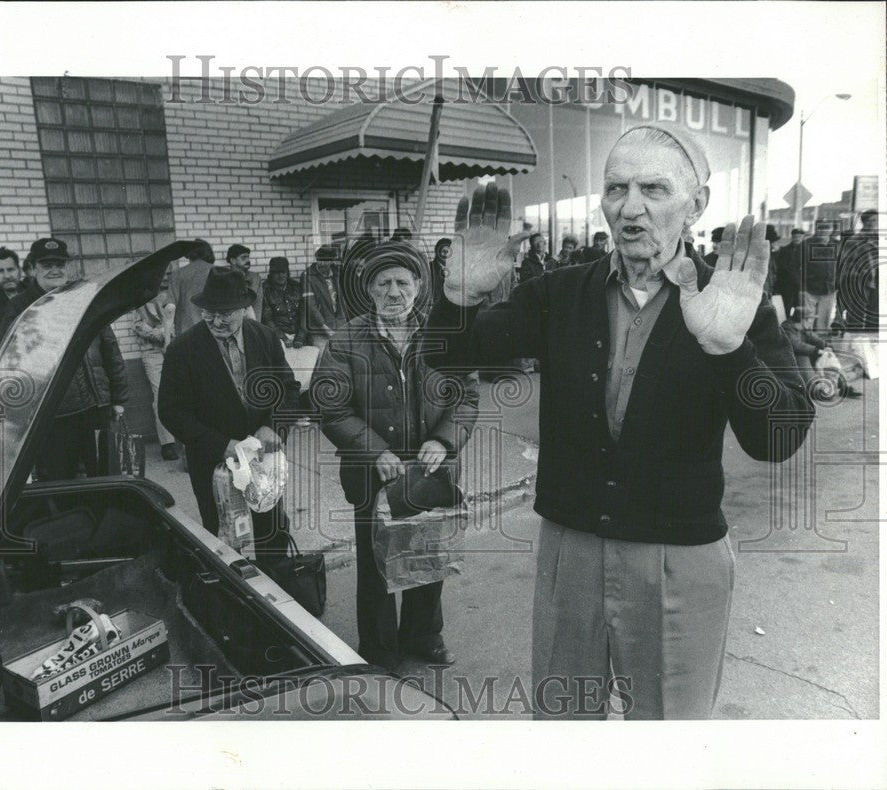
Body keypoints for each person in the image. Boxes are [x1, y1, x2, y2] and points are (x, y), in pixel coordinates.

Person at [425, 124, 813, 720]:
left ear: (696, 205)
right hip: (570, 547)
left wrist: (730, 351)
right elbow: (451, 358)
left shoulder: (732, 300)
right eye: (616, 189)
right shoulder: (557, 293)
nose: (631, 208)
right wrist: (456, 294)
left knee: (668, 736)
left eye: (655, 189)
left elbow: (778, 437)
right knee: (564, 726)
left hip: (677, 558)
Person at [313, 242, 479, 670]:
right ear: (369, 289)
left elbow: (467, 395)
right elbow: (329, 405)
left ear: (420, 286)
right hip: (373, 473)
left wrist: (443, 441)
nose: (393, 292)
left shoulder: (445, 334)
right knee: (377, 563)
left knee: (429, 553)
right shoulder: (346, 340)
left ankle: (425, 635)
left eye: (402, 282)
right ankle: (380, 649)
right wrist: (374, 451)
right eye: (382, 283)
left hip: (431, 468)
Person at [158, 268, 299, 564]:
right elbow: (171, 412)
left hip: (263, 459)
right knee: (224, 537)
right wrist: (222, 444)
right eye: (209, 313)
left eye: (226, 313)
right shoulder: (181, 350)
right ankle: (233, 598)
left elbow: (288, 388)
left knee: (271, 530)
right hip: (213, 463)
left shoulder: (266, 337)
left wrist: (272, 427)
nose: (217, 321)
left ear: (243, 309)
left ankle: (276, 597)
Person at [1, 238, 128, 481]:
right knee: (60, 481)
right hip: (53, 415)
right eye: (46, 264)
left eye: (59, 263)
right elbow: (11, 365)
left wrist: (118, 398)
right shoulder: (20, 308)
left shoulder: (84, 298)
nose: (54, 269)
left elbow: (109, 347)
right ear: (32, 268)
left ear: (67, 266)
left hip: (95, 408)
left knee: (107, 476)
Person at [132, 268, 179, 460]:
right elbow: (138, 326)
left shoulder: (171, 295)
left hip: (175, 350)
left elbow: (177, 320)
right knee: (160, 395)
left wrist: (168, 333)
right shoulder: (140, 301)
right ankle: (167, 444)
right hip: (152, 353)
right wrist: (161, 334)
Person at [781, 307, 861, 399]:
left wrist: (827, 346)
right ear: (802, 319)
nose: (812, 321)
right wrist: (816, 350)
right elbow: (796, 345)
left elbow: (814, 338)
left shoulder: (804, 327)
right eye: (810, 319)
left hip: (803, 353)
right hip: (790, 359)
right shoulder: (787, 328)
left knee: (828, 355)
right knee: (804, 356)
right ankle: (815, 389)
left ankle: (843, 385)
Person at [296, 244, 346, 349]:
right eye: (320, 260)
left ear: (332, 260)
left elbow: (343, 301)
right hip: (319, 329)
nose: (322, 264)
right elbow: (311, 306)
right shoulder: (307, 276)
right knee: (323, 356)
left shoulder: (338, 273)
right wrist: (327, 330)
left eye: (326, 261)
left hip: (340, 325)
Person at [837, 210, 879, 329]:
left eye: (875, 220)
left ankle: (872, 342)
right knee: (857, 315)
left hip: (879, 281)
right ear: (863, 222)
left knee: (875, 315)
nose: (873, 223)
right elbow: (844, 262)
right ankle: (855, 340)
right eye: (870, 221)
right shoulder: (854, 239)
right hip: (860, 280)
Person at [167, 238, 216, 337]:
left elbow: (170, 309)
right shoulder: (219, 272)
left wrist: (167, 342)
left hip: (186, 336)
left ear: (190, 254)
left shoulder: (177, 274)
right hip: (215, 334)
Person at [801, 219, 839, 329]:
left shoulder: (837, 244)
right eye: (820, 227)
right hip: (809, 288)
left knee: (824, 322)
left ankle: (821, 343)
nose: (823, 230)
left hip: (829, 289)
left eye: (827, 227)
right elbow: (799, 266)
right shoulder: (806, 244)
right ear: (816, 228)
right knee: (807, 319)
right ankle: (806, 342)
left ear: (832, 229)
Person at [260, 256, 302, 343]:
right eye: (276, 273)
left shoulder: (296, 287)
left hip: (299, 334)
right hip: (277, 336)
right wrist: (283, 337)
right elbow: (267, 319)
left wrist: (300, 337)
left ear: (288, 272)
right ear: (271, 274)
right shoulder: (265, 290)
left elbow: (304, 314)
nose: (281, 275)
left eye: (283, 272)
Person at [225, 243, 264, 320]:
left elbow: (258, 305)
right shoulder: (224, 279)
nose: (248, 260)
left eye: (248, 257)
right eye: (243, 257)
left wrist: (256, 326)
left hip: (252, 322)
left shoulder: (255, 278)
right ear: (233, 260)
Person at [775, 228, 806, 318]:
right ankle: (786, 325)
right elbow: (781, 267)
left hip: (802, 284)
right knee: (786, 306)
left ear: (803, 237)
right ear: (792, 237)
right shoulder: (784, 250)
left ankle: (797, 325)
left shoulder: (807, 250)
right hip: (787, 283)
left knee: (800, 306)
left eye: (799, 236)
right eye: (795, 236)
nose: (797, 238)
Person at [428, 237, 452, 307]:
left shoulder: (454, 270)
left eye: (449, 252)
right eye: (444, 251)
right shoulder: (429, 269)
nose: (446, 255)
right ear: (437, 251)